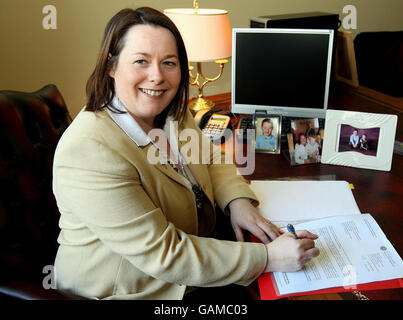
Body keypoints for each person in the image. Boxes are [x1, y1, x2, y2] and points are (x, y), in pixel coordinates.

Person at [52, 7, 319, 300]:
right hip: (135, 291)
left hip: (196, 258)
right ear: (110, 66)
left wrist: (238, 201)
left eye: (169, 62)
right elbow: (165, 254)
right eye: (141, 61)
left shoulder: (170, 113)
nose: (157, 77)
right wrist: (267, 258)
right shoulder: (88, 150)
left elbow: (210, 158)